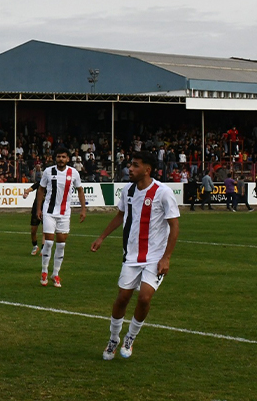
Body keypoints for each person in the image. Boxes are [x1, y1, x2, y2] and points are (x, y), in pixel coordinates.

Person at [90, 152, 180, 361]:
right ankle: (113, 339)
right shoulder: (128, 190)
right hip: (131, 255)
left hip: (154, 257)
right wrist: (102, 237)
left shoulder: (163, 192)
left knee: (145, 297)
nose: (130, 168)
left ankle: (130, 337)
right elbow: (121, 215)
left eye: (135, 165)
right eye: (131, 165)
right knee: (122, 298)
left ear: (147, 170)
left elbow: (174, 226)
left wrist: (166, 257)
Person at [33, 148, 87, 288]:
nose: (61, 159)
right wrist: (39, 209)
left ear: (68, 159)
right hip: (49, 211)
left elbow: (80, 190)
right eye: (58, 156)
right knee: (49, 243)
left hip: (64, 213)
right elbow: (41, 190)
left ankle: (55, 274)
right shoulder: (48, 171)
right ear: (55, 158)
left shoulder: (73, 173)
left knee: (61, 244)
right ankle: (44, 271)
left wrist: (83, 209)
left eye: (63, 157)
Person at [21, 179, 43, 255]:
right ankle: (35, 246)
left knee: (46, 230)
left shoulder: (52, 185)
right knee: (33, 230)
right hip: (36, 209)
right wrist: (26, 192)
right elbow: (31, 188)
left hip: (46, 209)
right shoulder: (40, 183)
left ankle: (43, 248)